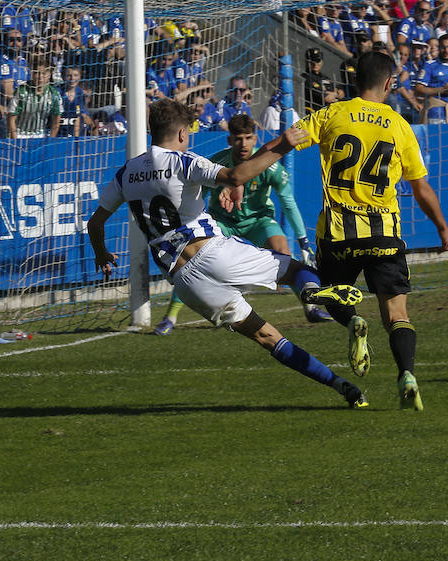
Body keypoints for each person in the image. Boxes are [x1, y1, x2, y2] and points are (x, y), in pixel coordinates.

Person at [86, 98, 367, 409]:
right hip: (211, 252)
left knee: (268, 338)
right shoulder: (184, 161)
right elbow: (235, 177)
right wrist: (282, 144)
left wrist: (101, 254)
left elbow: (95, 223)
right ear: (182, 134)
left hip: (185, 282)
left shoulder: (126, 173)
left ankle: (341, 386)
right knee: (295, 269)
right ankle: (311, 293)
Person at [291, 51, 448, 411]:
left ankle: (353, 321)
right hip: (384, 234)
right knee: (398, 315)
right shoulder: (399, 125)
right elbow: (421, 188)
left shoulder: (333, 113)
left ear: (353, 80)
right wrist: (443, 227)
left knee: (328, 293)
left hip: (339, 235)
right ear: (387, 83)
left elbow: (290, 138)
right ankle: (407, 375)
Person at [155, 113, 324, 334]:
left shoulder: (270, 167)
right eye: (238, 138)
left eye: (248, 137)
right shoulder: (216, 163)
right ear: (229, 140)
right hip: (222, 221)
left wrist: (302, 240)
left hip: (258, 220)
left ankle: (310, 308)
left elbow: (289, 203)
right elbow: (197, 195)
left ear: (255, 139)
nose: (243, 144)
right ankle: (170, 317)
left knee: (282, 250)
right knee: (190, 262)